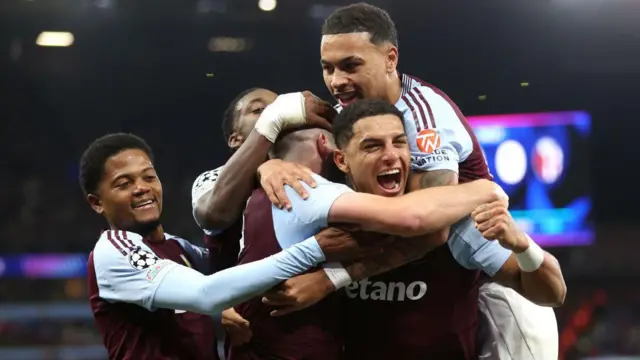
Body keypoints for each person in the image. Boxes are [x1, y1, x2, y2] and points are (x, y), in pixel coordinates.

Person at [259, 99, 566, 359]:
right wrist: (266, 167)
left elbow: (554, 292)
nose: (391, 155)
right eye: (373, 146)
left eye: (400, 142)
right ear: (341, 160)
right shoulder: (321, 213)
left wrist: (523, 246)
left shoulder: (451, 219)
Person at [81, 133, 367, 360]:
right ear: (96, 203)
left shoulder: (178, 249)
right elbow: (207, 294)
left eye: (148, 176)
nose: (142, 187)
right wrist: (316, 248)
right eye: (123, 183)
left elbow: (236, 272)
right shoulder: (113, 250)